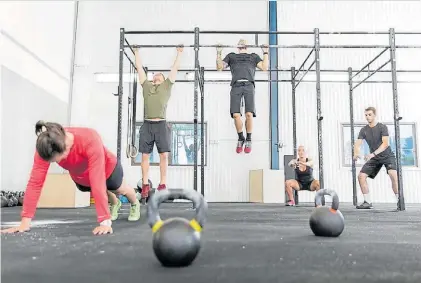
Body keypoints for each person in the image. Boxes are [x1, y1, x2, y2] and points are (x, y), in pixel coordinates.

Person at [0, 121, 140, 236]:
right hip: (81, 178)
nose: (55, 162)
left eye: (56, 160)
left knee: (119, 189)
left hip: (108, 168)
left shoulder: (89, 138)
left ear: (65, 148)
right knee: (97, 189)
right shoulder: (46, 145)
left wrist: (105, 221)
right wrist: (25, 222)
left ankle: (135, 204)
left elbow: (97, 179)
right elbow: (35, 182)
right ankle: (115, 203)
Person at [134, 45, 183, 201]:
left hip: (161, 125)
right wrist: (136, 52)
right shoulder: (146, 85)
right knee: (145, 156)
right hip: (147, 125)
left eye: (159, 76)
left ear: (163, 80)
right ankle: (145, 185)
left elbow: (175, 69)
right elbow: (139, 68)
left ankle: (162, 184)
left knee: (164, 156)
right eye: (154, 76)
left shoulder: (166, 86)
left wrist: (179, 53)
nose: (156, 77)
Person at [216, 39, 269, 154]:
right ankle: (241, 138)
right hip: (236, 86)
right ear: (237, 46)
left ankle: (249, 139)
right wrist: (219, 52)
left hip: (249, 85)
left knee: (249, 114)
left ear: (247, 46)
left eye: (243, 42)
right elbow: (220, 67)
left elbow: (264, 67)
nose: (242, 43)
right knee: (236, 115)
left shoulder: (253, 57)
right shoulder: (232, 56)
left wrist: (265, 52)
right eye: (240, 42)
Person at [353, 107, 399, 209]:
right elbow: (357, 144)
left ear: (374, 115)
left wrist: (372, 154)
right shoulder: (364, 130)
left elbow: (385, 144)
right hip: (375, 158)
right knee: (361, 176)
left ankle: (399, 200)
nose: (367, 117)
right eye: (366, 115)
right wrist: (356, 154)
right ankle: (367, 202)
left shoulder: (382, 127)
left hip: (387, 155)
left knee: (393, 175)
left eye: (369, 114)